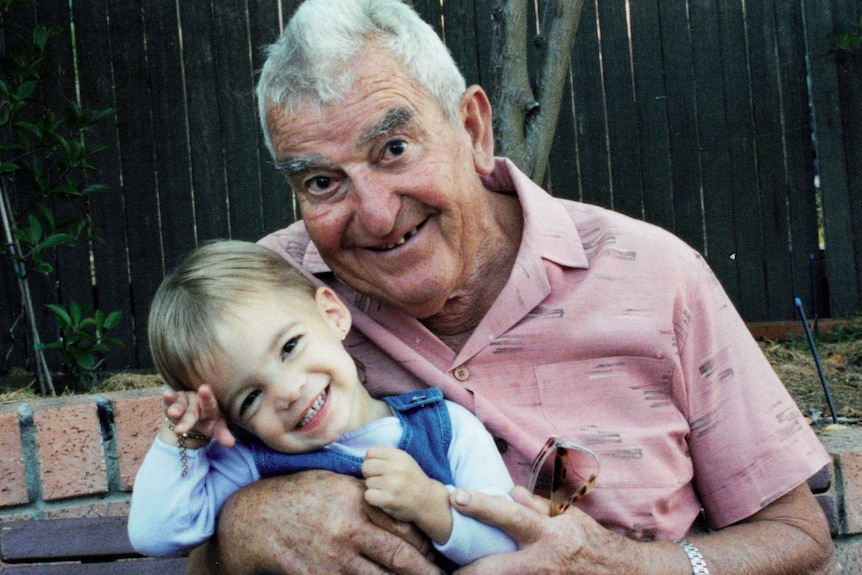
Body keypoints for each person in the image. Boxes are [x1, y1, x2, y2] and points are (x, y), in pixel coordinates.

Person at [187, 0, 835, 573]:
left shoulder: (656, 273)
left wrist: (631, 567)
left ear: (472, 128)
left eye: (393, 148)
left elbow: (797, 535)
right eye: (322, 182)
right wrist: (246, 525)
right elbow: (194, 540)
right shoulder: (265, 300)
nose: (377, 215)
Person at [127, 240, 516, 568]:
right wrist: (185, 440)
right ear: (236, 423)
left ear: (331, 315)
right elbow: (155, 534)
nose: (287, 391)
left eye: (289, 347)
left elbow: (506, 547)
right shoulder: (251, 464)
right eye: (250, 398)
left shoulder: (447, 428)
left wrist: (431, 505)